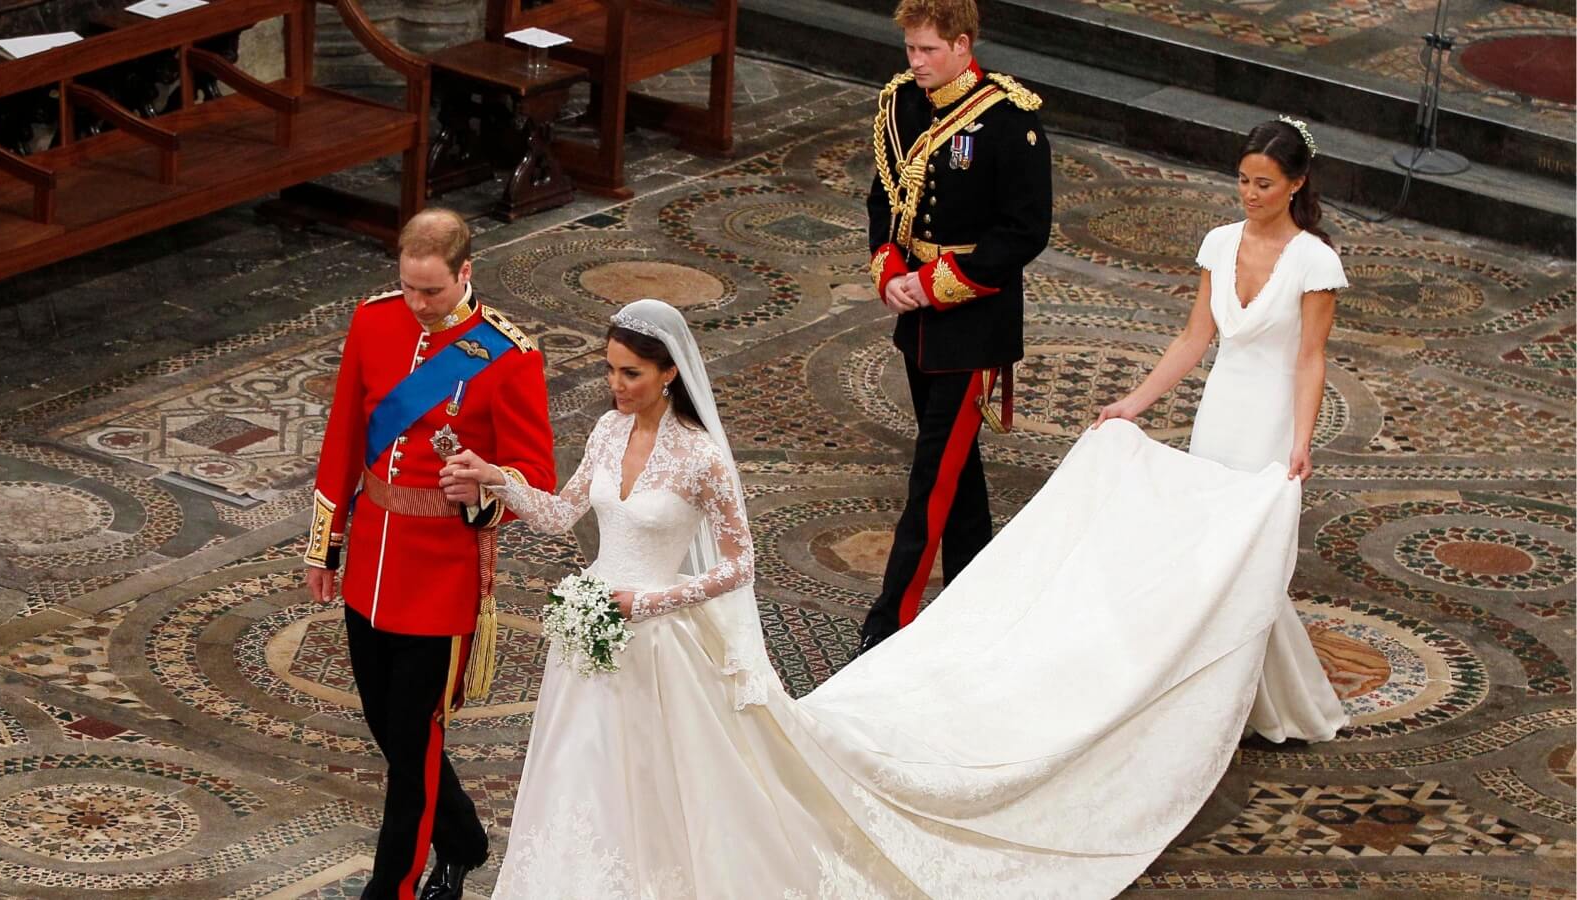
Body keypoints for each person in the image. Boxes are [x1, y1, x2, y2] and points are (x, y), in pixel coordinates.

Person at [445, 300, 1308, 898]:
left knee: (670, 781)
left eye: (630, 374)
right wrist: (500, 479)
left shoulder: (700, 459)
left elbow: (739, 567)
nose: (615, 386)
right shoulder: (601, 431)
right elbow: (564, 519)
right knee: (580, 772)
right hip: (593, 639)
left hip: (661, 638)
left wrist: (655, 599)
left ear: (670, 375)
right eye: (610, 371)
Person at [304, 208, 556, 900]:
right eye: (409, 288)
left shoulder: (507, 356)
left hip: (442, 580)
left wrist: (485, 483)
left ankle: (392, 889)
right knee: (390, 729)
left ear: (465, 273)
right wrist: (323, 550)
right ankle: (466, 839)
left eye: (432, 292)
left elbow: (536, 477)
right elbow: (343, 437)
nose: (417, 306)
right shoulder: (373, 320)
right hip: (370, 571)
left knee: (411, 754)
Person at [1096, 115, 1350, 743]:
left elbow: (1310, 357)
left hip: (1270, 421)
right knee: (1211, 556)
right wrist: (1135, 403)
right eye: (1243, 180)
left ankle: (1242, 704)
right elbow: (1193, 337)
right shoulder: (1218, 242)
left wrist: (1301, 440)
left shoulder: (1315, 262)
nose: (1250, 194)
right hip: (1221, 412)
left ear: (1296, 184)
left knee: (1246, 561)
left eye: (1264, 184)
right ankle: (1216, 699)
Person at [862, 0, 1053, 655]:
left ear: (963, 44)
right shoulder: (901, 106)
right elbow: (884, 198)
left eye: (928, 52)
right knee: (957, 472)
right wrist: (890, 271)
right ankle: (979, 597)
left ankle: (891, 626)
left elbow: (1025, 230)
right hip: (917, 321)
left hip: (972, 321)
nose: (915, 64)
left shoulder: (1008, 122)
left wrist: (938, 286)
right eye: (910, 50)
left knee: (932, 476)